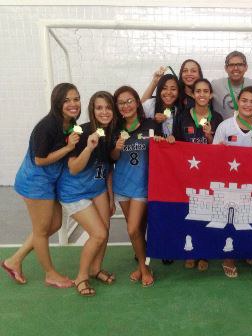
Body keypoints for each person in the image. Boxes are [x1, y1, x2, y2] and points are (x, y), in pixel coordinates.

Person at [1, 83, 80, 288]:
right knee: (42, 230)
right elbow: (40, 159)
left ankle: (14, 261)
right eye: (67, 100)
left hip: (49, 181)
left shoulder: (70, 122)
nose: (73, 104)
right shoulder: (47, 126)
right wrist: (69, 147)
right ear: (57, 103)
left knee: (53, 225)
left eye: (76, 99)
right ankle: (50, 274)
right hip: (35, 182)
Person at [57, 91, 117, 296]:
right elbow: (73, 167)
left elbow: (108, 168)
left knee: (105, 230)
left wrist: (110, 197)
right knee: (98, 233)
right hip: (74, 192)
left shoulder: (112, 132)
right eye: (99, 108)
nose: (104, 112)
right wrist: (89, 148)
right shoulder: (80, 131)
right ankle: (81, 277)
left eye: (108, 107)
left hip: (98, 188)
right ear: (92, 110)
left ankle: (95, 268)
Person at [213, 86, 252, 278]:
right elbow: (212, 156)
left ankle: (247, 250)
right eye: (244, 100)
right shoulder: (225, 126)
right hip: (229, 184)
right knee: (229, 220)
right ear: (238, 102)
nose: (248, 105)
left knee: (249, 219)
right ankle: (228, 258)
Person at [111, 86, 162, 287]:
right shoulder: (115, 128)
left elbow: (162, 148)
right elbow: (111, 158)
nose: (126, 105)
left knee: (132, 229)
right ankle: (142, 265)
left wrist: (163, 140)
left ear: (137, 102)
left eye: (130, 100)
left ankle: (143, 268)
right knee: (137, 229)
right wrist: (115, 149)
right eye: (121, 102)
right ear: (117, 106)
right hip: (122, 185)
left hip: (142, 185)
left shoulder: (150, 124)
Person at [172, 78, 223, 271]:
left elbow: (219, 150)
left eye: (205, 91)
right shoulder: (182, 117)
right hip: (188, 174)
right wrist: (170, 140)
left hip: (209, 174)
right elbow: (176, 146)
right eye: (198, 91)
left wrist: (210, 135)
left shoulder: (217, 118)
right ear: (193, 95)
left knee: (207, 213)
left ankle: (204, 254)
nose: (202, 94)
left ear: (211, 95)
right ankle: (191, 251)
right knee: (190, 213)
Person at [211, 51, 252, 120]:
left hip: (248, 128)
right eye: (231, 65)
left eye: (240, 64)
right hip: (223, 129)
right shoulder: (215, 85)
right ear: (226, 68)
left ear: (246, 67)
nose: (235, 68)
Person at [142, 73, 180, 139]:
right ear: (159, 90)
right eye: (164, 88)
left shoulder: (180, 109)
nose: (168, 92)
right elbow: (136, 121)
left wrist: (174, 138)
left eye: (173, 89)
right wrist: (153, 121)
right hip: (153, 147)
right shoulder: (150, 105)